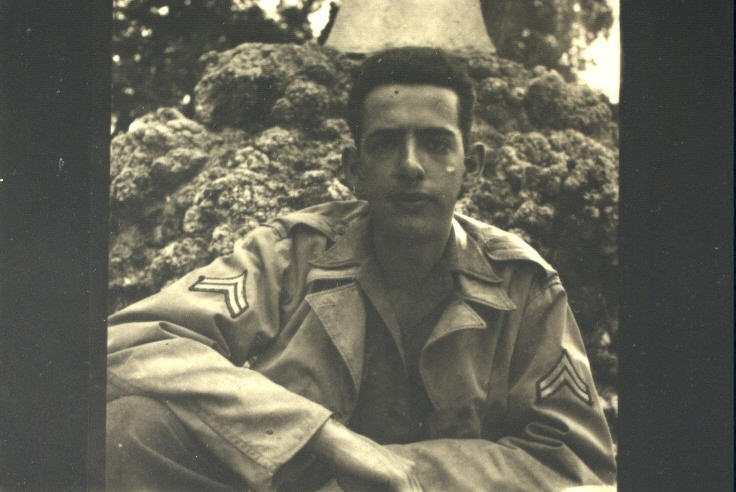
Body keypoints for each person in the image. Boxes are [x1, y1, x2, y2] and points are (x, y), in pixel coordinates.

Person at [106, 47, 616, 491]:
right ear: (353, 169)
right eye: (386, 143)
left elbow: (578, 462)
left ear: (472, 167)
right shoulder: (290, 257)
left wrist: (401, 470)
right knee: (131, 426)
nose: (411, 165)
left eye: (436, 143)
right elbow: (127, 341)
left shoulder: (524, 287)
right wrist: (322, 437)